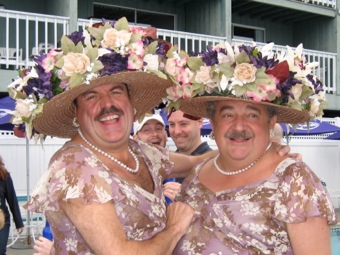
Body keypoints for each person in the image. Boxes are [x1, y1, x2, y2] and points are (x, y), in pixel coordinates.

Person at [10, 18, 293, 254]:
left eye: (116, 92)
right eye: (91, 96)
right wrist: (175, 228)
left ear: (131, 105)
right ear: (76, 113)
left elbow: (194, 161)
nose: (107, 104)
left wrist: (258, 152)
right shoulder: (75, 166)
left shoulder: (138, 152)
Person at [166, 42, 337, 254]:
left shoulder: (293, 180)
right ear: (213, 121)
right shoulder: (196, 175)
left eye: (252, 115)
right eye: (227, 114)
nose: (239, 126)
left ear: (270, 121)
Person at [0, 156, 24, 255]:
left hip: (2, 221)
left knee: (0, 250)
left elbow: (12, 200)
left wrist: (19, 222)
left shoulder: (4, 176)